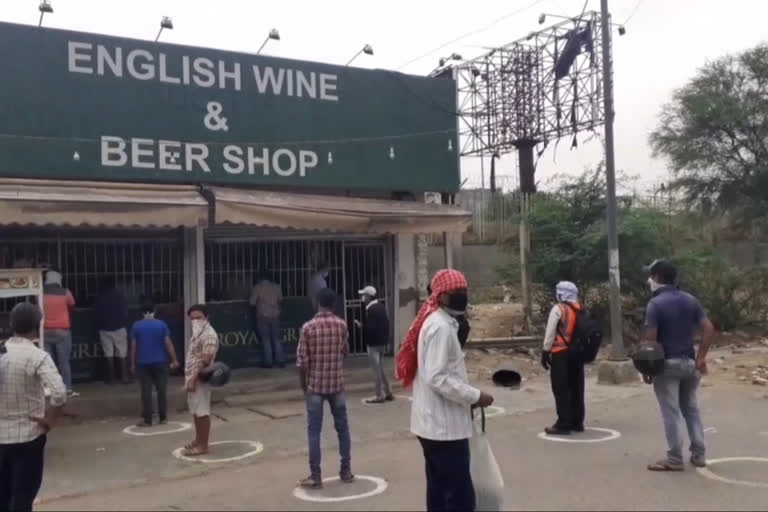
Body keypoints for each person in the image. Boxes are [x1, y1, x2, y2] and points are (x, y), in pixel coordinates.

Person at [408, 269, 494, 512]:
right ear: (441, 295)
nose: (462, 296)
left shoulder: (441, 322)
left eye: (464, 292)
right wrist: (475, 397)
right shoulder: (441, 327)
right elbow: (437, 377)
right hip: (443, 430)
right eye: (456, 292)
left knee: (438, 491)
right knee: (459, 497)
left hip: (435, 425)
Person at [643, 260, 714, 472]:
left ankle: (674, 459)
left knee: (671, 412)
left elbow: (651, 340)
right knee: (691, 409)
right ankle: (699, 454)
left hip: (667, 366)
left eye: (650, 276)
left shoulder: (655, 304)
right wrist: (701, 358)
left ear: (656, 278)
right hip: (690, 363)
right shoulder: (690, 299)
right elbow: (709, 328)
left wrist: (648, 369)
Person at [0, 302, 67, 511]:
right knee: (22, 497)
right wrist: (51, 420)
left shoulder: (2, 352)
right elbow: (59, 392)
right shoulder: (38, 356)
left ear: (12, 324)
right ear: (38, 326)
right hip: (28, 437)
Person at [296, 288, 353, 489]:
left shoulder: (308, 328)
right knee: (342, 428)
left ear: (317, 302)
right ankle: (346, 470)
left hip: (315, 385)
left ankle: (315, 475)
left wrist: (304, 385)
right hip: (336, 384)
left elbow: (302, 362)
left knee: (314, 431)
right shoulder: (341, 325)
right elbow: (345, 351)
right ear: (334, 303)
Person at [540, 281, 586, 436]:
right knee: (576, 387)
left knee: (561, 388)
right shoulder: (581, 309)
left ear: (560, 293)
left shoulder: (559, 309)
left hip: (561, 353)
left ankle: (563, 423)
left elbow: (550, 332)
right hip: (577, 354)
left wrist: (545, 352)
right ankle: (577, 422)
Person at [130, 303, 180, 427]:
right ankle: (163, 418)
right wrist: (174, 360)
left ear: (142, 313)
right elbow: (168, 343)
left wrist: (132, 363)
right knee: (161, 390)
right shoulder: (161, 324)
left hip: (143, 363)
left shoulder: (136, 326)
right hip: (160, 362)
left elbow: (134, 347)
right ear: (154, 311)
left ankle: (147, 420)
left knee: (146, 391)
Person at [183, 304, 219, 457]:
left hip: (200, 378)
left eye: (199, 317)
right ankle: (198, 440)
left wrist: (193, 379)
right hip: (192, 376)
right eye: (192, 319)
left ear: (207, 317)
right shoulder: (198, 332)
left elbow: (206, 359)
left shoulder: (209, 335)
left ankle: (203, 445)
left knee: (202, 412)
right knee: (196, 412)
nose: (195, 321)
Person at [42, 269, 77, 397]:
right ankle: (67, 389)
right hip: (62, 330)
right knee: (64, 362)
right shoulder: (65, 292)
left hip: (45, 331)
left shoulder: (40, 292)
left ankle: (49, 390)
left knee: (47, 364)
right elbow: (72, 306)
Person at [356, 286, 393, 404]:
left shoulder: (371, 310)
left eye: (364, 295)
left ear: (368, 296)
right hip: (382, 343)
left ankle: (379, 395)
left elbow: (371, 328)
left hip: (374, 344)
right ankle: (388, 392)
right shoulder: (381, 307)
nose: (362, 297)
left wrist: (361, 326)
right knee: (382, 369)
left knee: (376, 371)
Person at [94, 275, 130, 385]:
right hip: (119, 326)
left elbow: (96, 312)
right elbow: (125, 311)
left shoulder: (99, 296)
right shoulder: (120, 295)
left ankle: (111, 379)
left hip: (105, 328)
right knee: (122, 353)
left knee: (108, 354)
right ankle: (124, 377)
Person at [250, 273, 284, 368]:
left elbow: (252, 303)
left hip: (263, 316)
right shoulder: (277, 287)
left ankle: (268, 362)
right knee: (277, 339)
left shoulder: (257, 288)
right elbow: (281, 301)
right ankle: (280, 360)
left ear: (260, 277)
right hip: (276, 316)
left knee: (266, 340)